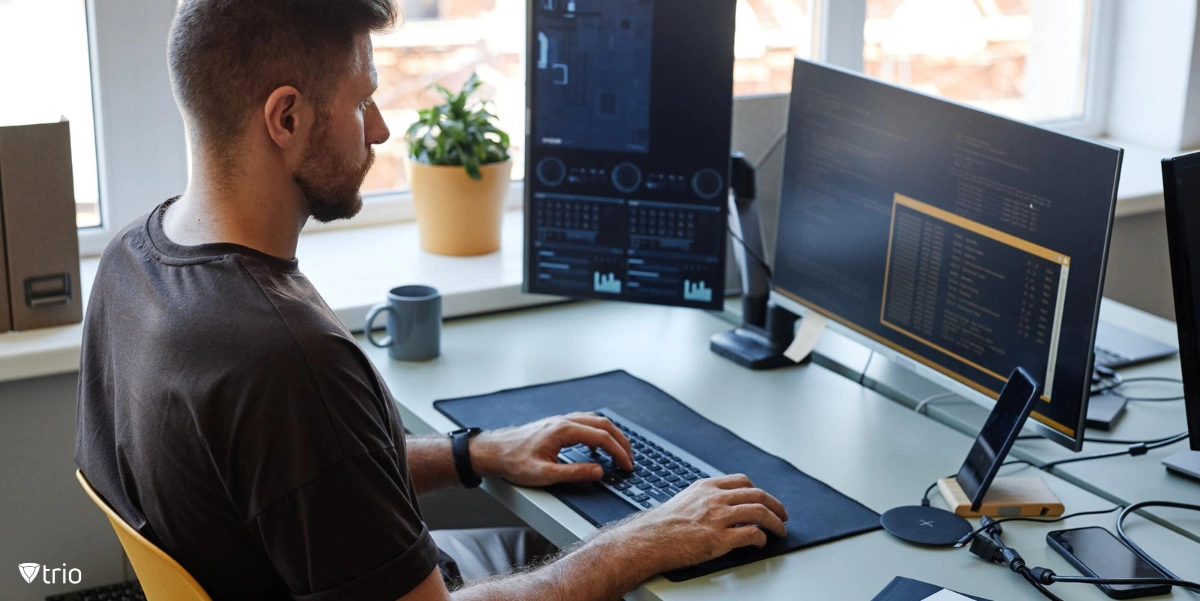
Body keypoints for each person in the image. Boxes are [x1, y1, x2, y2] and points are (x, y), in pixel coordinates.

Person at [74, 1, 788, 600]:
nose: (381, 128)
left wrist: (476, 452)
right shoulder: (285, 358)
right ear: (285, 119)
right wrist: (639, 541)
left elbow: (302, 479)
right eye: (361, 100)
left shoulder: (133, 263)